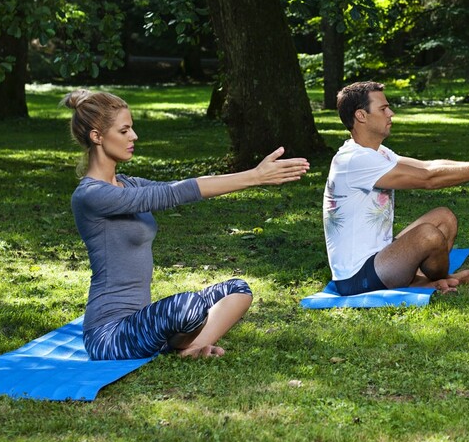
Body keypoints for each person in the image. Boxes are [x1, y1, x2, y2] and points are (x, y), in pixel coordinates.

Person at [62, 89, 309, 360]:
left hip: (143, 323)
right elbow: (172, 194)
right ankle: (186, 346)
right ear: (97, 136)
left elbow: (174, 187)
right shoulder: (90, 196)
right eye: (124, 131)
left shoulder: (128, 184)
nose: (134, 137)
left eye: (131, 129)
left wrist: (252, 177)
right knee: (187, 307)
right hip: (108, 336)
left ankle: (188, 349)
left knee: (237, 290)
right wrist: (254, 177)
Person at [322, 81, 469, 295]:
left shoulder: (378, 152)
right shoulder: (353, 160)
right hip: (357, 279)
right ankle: (438, 281)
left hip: (382, 257)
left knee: (444, 217)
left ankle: (427, 282)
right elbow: (427, 179)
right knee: (427, 235)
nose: (391, 113)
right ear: (361, 116)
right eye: (383, 109)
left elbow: (427, 166)